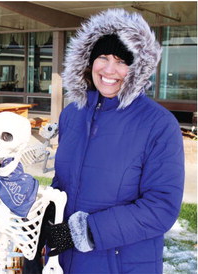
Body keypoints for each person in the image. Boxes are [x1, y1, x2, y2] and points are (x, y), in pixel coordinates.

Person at [43, 8, 185, 273]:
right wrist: (44, 216)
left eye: (121, 61)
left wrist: (84, 232)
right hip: (67, 263)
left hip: (122, 264)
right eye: (103, 57)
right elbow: (63, 181)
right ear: (88, 60)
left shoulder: (158, 124)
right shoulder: (72, 115)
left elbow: (161, 207)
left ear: (137, 68)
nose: (109, 69)